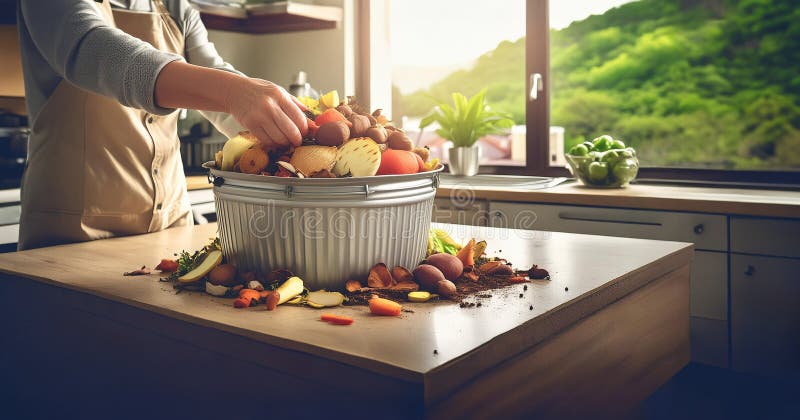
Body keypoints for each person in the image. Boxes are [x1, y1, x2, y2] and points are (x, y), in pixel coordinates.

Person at [16, 0, 307, 250]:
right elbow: (94, 47)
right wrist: (232, 92)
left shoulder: (176, 5)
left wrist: (291, 142)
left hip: (171, 227)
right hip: (73, 237)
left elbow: (215, 75)